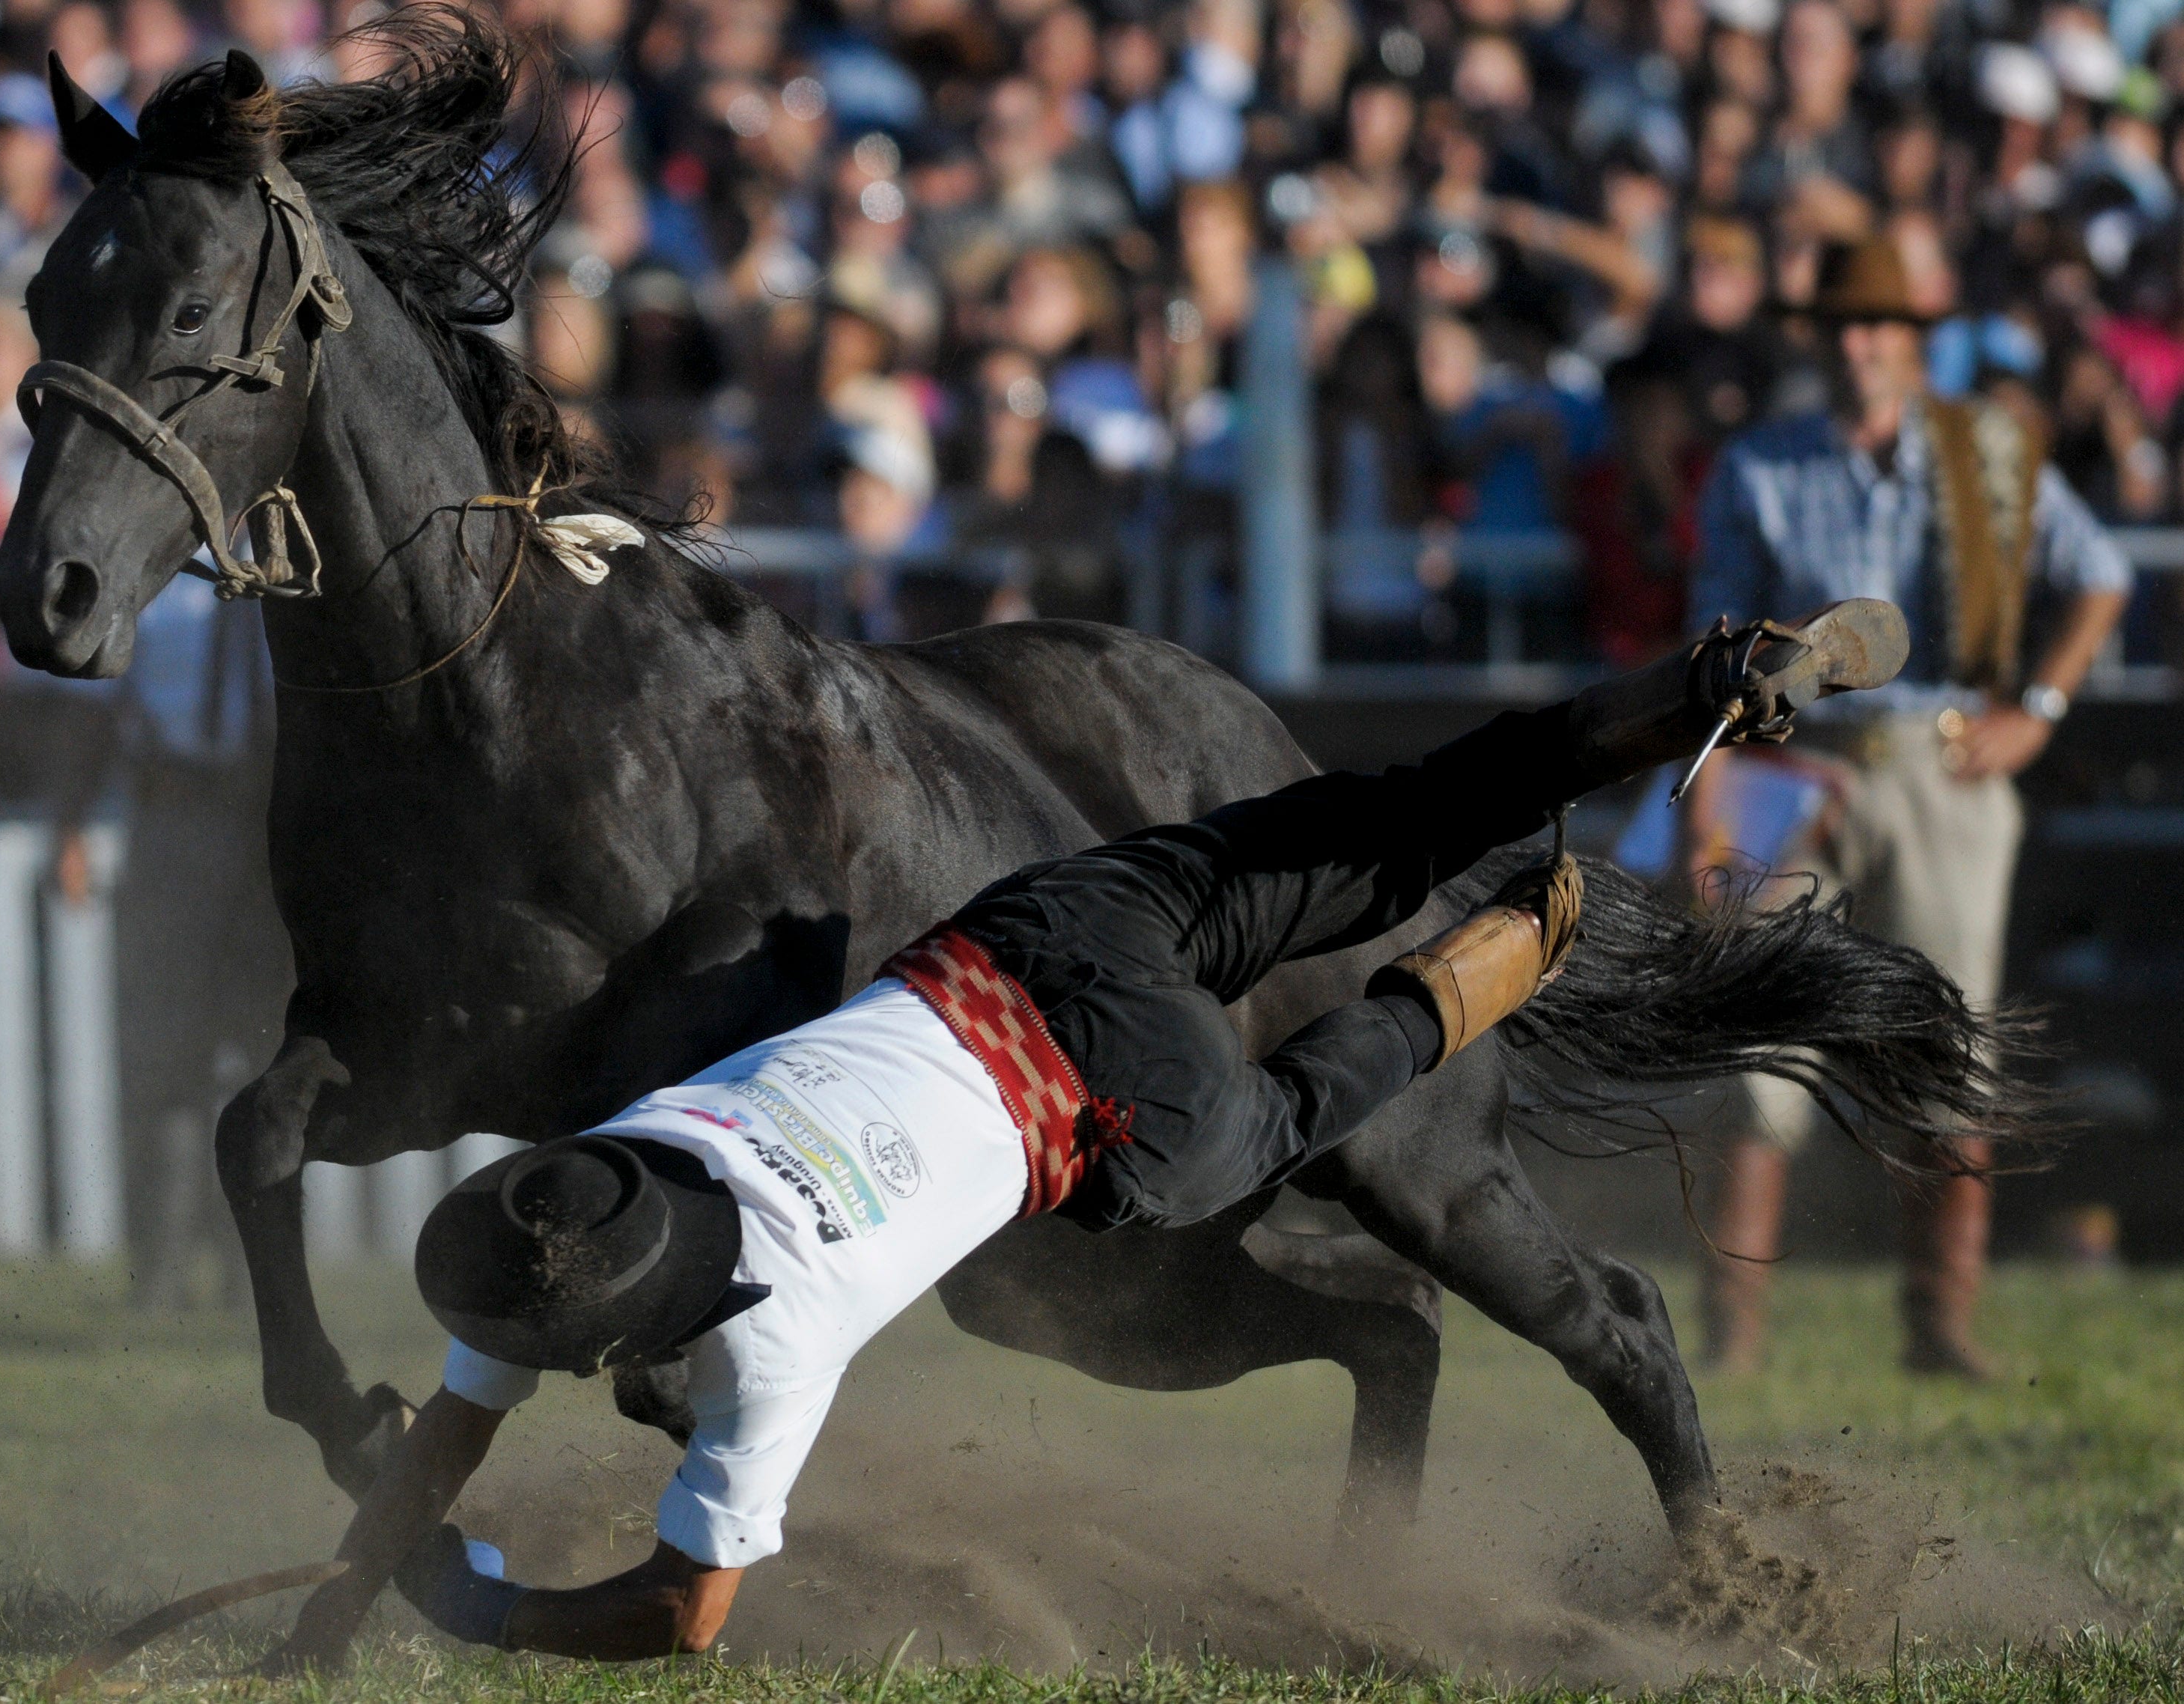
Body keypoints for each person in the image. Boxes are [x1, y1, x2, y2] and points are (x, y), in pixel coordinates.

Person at [261, 600, 1908, 1670]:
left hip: (1115, 1123)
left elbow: (677, 1616)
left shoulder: (772, 1355)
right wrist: (348, 1590)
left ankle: (1454, 991)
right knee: (1413, 808)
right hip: (1040, 929)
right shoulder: (617, 1154)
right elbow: (461, 1415)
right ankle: (1698, 680)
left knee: (1297, 1105)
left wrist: (479, 1607)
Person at [1691, 236, 2135, 1381]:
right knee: (1755, 1042)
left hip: (1947, 765)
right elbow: (1716, 643)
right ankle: (1729, 1338)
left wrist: (2036, 708)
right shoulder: (1762, 465)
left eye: (1881, 323)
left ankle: (1941, 1326)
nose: (1862, 343)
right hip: (1799, 765)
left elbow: (2101, 574)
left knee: (1950, 1042)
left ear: (1915, 339)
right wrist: (1716, 795)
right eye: (1843, 324)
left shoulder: (1985, 454)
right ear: (1818, 338)